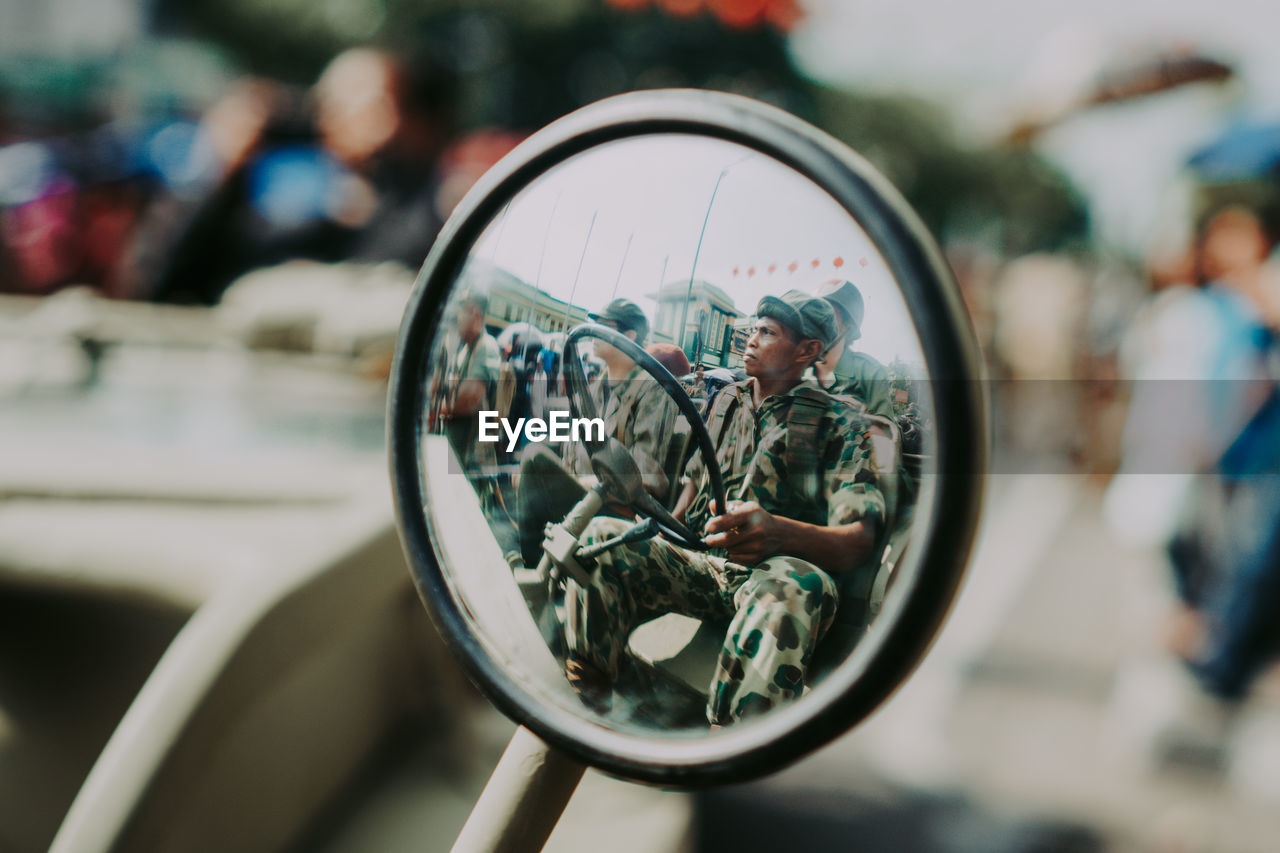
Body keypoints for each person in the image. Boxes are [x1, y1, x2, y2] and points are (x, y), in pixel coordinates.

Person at [564, 290, 885, 724]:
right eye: (753, 328)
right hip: (704, 564)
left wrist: (779, 532)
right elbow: (695, 482)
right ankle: (599, 699)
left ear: (808, 350)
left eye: (768, 332)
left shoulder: (841, 422)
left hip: (770, 582)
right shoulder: (724, 400)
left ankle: (734, 737)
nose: (751, 339)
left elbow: (858, 541)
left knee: (797, 582)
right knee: (602, 536)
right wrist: (665, 528)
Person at [433, 291, 500, 475]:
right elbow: (445, 387)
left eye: (462, 312)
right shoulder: (463, 351)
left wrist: (436, 408)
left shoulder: (486, 346)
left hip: (472, 462)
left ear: (476, 315)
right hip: (455, 453)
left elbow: (469, 398)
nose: (458, 318)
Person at [812, 279, 896, 421]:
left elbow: (885, 433)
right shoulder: (798, 365)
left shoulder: (868, 370)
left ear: (848, 326)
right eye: (815, 314)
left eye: (829, 315)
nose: (819, 321)